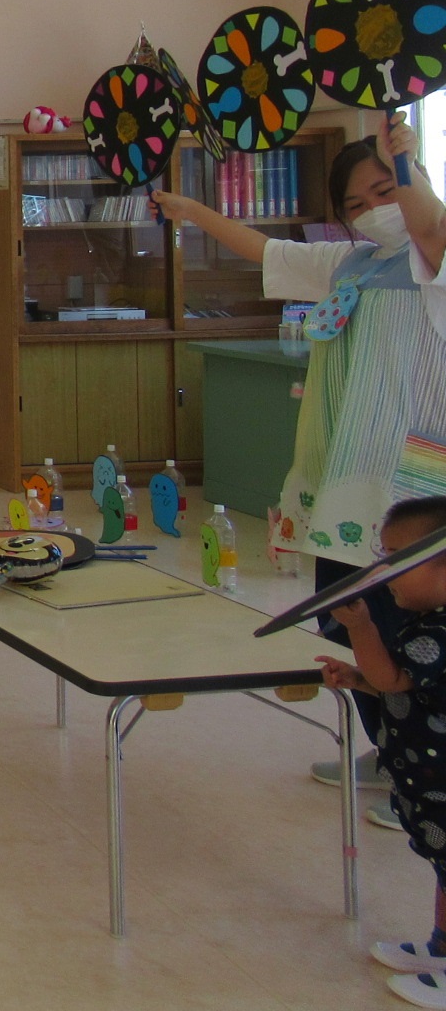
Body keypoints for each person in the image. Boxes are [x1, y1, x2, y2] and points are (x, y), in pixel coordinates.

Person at [152, 113, 446, 818]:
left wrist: (406, 165)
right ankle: (389, 754)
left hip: (408, 485)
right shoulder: (349, 264)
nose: (373, 210)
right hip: (341, 481)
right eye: (356, 203)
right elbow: (267, 252)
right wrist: (190, 210)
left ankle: (426, 765)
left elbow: (431, 227)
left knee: (416, 636)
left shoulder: (432, 261)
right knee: (344, 621)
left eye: (385, 191)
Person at [316, 496, 446, 1008]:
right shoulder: (429, 619)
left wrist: (361, 627)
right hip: (429, 785)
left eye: (398, 559)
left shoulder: (441, 631)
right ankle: (441, 949)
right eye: (383, 555)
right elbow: (410, 689)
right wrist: (360, 679)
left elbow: (394, 677)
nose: (384, 571)